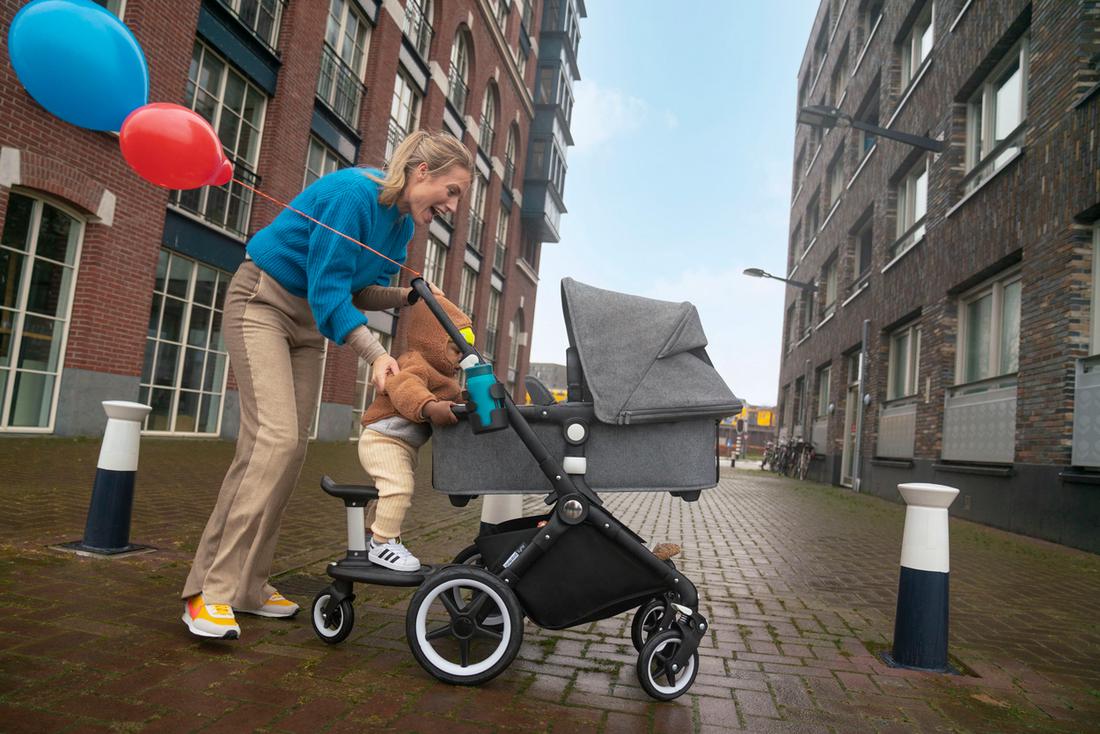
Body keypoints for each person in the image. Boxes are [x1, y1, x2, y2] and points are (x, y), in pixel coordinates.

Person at [180, 131, 473, 639]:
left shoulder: (400, 229)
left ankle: (249, 584)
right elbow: (327, 287)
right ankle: (210, 591)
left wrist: (408, 297)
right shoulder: (352, 194)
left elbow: (357, 290)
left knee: (289, 450)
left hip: (309, 326)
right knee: (273, 441)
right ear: (421, 171)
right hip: (263, 304)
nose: (451, 205)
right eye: (451, 191)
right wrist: (376, 354)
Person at [357, 296, 472, 571]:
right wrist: (430, 407)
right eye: (456, 351)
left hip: (404, 446)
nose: (460, 360)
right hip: (382, 439)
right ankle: (382, 544)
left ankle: (370, 538)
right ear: (434, 340)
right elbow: (405, 387)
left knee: (386, 493)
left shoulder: (450, 382)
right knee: (398, 488)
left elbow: (457, 402)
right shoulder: (415, 362)